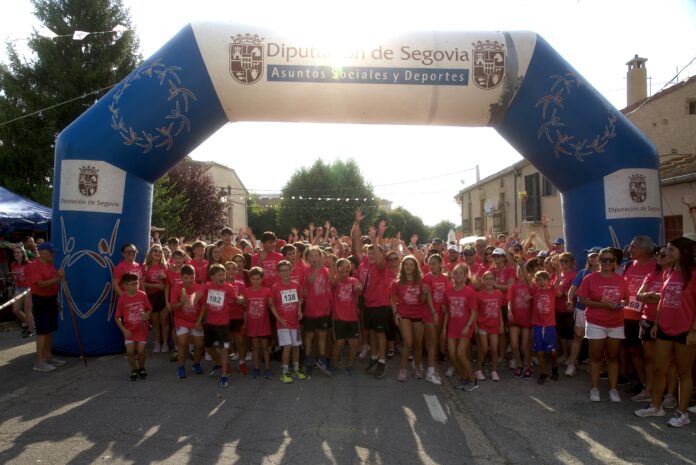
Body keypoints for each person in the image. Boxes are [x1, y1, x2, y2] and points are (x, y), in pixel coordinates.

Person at [635, 236, 696, 427]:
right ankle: (656, 406)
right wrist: (656, 324)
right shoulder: (667, 271)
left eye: (671, 250)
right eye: (666, 249)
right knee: (658, 368)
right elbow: (662, 299)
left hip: (686, 330)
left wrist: (693, 330)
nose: (666, 253)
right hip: (663, 328)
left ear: (684, 252)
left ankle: (682, 413)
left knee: (683, 373)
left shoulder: (694, 273)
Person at [577, 247, 629, 402]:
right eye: (604, 260)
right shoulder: (589, 279)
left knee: (613, 357)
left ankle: (613, 390)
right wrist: (603, 305)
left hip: (616, 323)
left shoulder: (621, 279)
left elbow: (627, 298)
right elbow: (582, 300)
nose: (607, 263)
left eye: (611, 260)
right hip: (595, 322)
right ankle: (595, 388)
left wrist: (621, 303)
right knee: (596, 357)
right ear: (598, 261)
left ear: (615, 262)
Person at [351, 209, 392, 379]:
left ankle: (382, 360)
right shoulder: (363, 265)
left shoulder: (381, 267)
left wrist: (375, 240)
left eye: (374, 252)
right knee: (373, 333)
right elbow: (356, 243)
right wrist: (357, 223)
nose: (371, 254)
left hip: (381, 305)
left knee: (380, 333)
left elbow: (379, 257)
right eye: (369, 253)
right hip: (368, 304)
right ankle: (374, 356)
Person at [620, 236, 657, 397]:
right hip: (628, 316)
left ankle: (656, 386)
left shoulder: (657, 266)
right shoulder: (627, 265)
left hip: (649, 316)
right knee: (634, 352)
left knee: (650, 355)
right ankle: (643, 384)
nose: (630, 249)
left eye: (634, 247)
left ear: (644, 250)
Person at [199, 264, 241, 388]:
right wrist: (192, 300)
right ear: (212, 277)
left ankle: (224, 375)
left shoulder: (229, 287)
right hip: (209, 323)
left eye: (223, 274)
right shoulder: (207, 286)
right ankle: (218, 363)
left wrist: (242, 299)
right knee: (207, 348)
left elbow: (237, 299)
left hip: (223, 325)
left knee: (224, 350)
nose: (223, 277)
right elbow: (199, 294)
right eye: (219, 275)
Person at [27, 242, 66, 372]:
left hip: (50, 299)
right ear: (42, 252)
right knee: (42, 330)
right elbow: (41, 284)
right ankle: (39, 361)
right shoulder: (34, 265)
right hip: (40, 299)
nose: (53, 254)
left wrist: (56, 300)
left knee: (50, 329)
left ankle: (48, 356)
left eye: (53, 252)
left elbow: (53, 284)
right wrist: (57, 278)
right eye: (51, 252)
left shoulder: (50, 264)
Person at [443, 264, 479, 391]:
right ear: (452, 275)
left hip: (465, 327)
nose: (458, 276)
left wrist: (468, 326)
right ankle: (464, 376)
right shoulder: (448, 291)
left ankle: (473, 380)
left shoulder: (470, 291)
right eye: (455, 273)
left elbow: (474, 311)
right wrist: (444, 328)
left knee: (461, 354)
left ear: (465, 276)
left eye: (460, 273)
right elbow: (447, 311)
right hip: (452, 327)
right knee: (452, 355)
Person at [391, 255, 428, 382]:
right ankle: (403, 369)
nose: (408, 266)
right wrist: (395, 313)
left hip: (418, 314)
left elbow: (423, 301)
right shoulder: (397, 282)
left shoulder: (421, 281)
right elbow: (393, 299)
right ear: (402, 266)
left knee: (418, 344)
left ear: (415, 267)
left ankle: (417, 367)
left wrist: (425, 293)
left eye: (411, 264)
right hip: (404, 314)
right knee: (408, 342)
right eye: (406, 264)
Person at [565, 247, 600, 376]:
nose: (592, 258)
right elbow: (573, 288)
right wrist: (569, 300)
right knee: (578, 336)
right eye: (590, 256)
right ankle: (572, 364)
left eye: (595, 255)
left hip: (598, 311)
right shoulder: (583, 272)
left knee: (594, 340)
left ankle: (593, 365)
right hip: (581, 309)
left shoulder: (605, 274)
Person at [270, 260, 306, 383]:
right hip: (283, 323)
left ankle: (296, 369)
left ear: (291, 271)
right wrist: (279, 319)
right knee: (287, 347)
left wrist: (300, 311)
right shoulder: (275, 287)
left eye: (287, 270)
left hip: (294, 322)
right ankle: (284, 372)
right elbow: (272, 305)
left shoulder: (296, 285)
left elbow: (299, 300)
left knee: (296, 346)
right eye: (282, 270)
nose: (285, 273)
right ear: (278, 272)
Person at [114, 271, 152, 381]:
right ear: (125, 286)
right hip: (129, 330)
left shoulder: (142, 295)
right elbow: (117, 317)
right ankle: (134, 369)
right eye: (132, 284)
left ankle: (142, 368)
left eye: (136, 283)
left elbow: (149, 308)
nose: (135, 286)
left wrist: (146, 314)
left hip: (141, 329)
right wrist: (124, 330)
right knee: (130, 352)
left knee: (140, 351)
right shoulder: (122, 298)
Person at [169, 264, 205, 379]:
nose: (189, 280)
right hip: (181, 319)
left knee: (199, 345)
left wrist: (199, 321)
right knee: (182, 343)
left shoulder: (199, 288)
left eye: (192, 277)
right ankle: (181, 367)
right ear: (181, 277)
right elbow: (173, 307)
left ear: (195, 275)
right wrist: (181, 302)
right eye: (186, 278)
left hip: (195, 320)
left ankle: (196, 364)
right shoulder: (176, 288)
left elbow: (204, 305)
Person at [330, 257, 362, 375]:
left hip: (352, 317)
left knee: (354, 343)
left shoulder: (353, 280)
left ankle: (350, 365)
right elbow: (333, 283)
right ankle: (334, 365)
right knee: (339, 343)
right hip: (338, 317)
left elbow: (358, 289)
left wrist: (358, 288)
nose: (346, 269)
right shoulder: (335, 280)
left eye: (348, 267)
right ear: (338, 268)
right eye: (343, 267)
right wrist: (339, 272)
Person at [243, 267, 273, 379]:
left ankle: (268, 368)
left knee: (265, 347)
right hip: (252, 325)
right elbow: (245, 310)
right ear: (250, 279)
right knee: (255, 347)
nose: (256, 281)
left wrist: (271, 303)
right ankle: (256, 368)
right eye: (253, 279)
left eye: (258, 279)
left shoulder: (267, 291)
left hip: (263, 324)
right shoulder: (246, 291)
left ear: (262, 279)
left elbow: (271, 307)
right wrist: (245, 324)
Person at [423, 254, 449, 385]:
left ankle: (432, 368)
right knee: (433, 342)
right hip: (430, 313)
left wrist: (445, 305)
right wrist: (433, 311)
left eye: (434, 263)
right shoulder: (427, 277)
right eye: (429, 263)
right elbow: (427, 296)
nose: (431, 266)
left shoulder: (445, 278)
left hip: (441, 313)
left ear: (440, 264)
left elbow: (446, 294)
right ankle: (430, 372)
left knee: (436, 342)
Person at [474, 271, 504, 381]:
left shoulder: (499, 294)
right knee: (484, 348)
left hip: (494, 325)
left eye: (491, 279)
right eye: (486, 279)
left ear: (495, 281)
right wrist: (475, 325)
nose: (489, 281)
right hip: (482, 324)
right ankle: (478, 370)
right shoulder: (479, 295)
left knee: (495, 349)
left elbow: (499, 309)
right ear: (483, 280)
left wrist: (502, 323)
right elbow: (475, 311)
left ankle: (494, 371)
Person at [508, 262, 533, 379]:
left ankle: (528, 366)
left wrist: (521, 264)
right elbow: (509, 300)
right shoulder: (513, 286)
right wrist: (509, 310)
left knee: (524, 345)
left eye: (522, 271)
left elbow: (533, 292)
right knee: (514, 344)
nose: (520, 273)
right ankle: (519, 364)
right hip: (515, 318)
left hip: (526, 319)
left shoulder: (530, 285)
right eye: (518, 271)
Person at [143, 245, 169, 353]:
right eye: (155, 251)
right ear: (150, 253)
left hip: (163, 296)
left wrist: (165, 280)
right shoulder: (145, 267)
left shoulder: (166, 266)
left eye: (160, 251)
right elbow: (142, 284)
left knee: (164, 320)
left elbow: (170, 283)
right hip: (151, 296)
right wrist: (156, 286)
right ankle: (157, 343)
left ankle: (166, 343)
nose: (158, 253)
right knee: (154, 321)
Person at [225, 260, 249, 375]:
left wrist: (240, 300)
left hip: (238, 316)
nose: (231, 271)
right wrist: (237, 300)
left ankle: (241, 362)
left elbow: (244, 300)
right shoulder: (221, 284)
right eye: (228, 268)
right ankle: (226, 364)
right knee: (226, 342)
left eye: (233, 268)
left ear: (237, 270)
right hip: (224, 317)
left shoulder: (240, 284)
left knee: (240, 341)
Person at [10, 246, 33, 337]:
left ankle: (30, 329)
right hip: (19, 288)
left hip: (28, 288)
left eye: (18, 252)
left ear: (23, 254)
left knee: (27, 309)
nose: (16, 254)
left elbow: (33, 277)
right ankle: (30, 324)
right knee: (15, 309)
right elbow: (13, 279)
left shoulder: (29, 264)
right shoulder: (13, 264)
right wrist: (13, 276)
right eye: (15, 252)